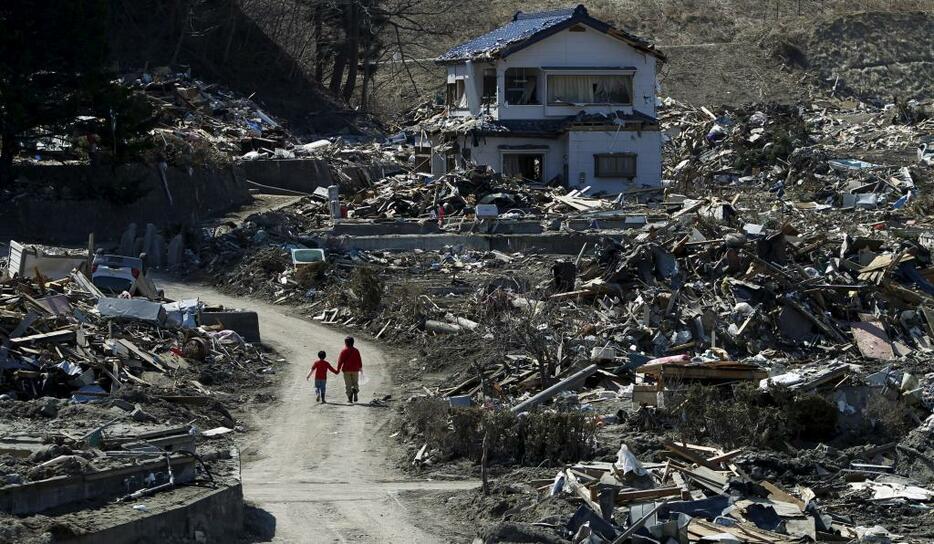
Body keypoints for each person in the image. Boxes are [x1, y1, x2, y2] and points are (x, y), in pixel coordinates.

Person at [336, 336, 363, 403]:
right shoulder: (356, 350)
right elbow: (359, 360)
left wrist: (338, 369)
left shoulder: (344, 351)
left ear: (346, 343)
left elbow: (340, 361)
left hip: (346, 370)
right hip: (355, 370)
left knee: (348, 385)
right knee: (355, 383)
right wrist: (360, 367)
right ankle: (355, 391)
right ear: (353, 342)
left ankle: (350, 399)